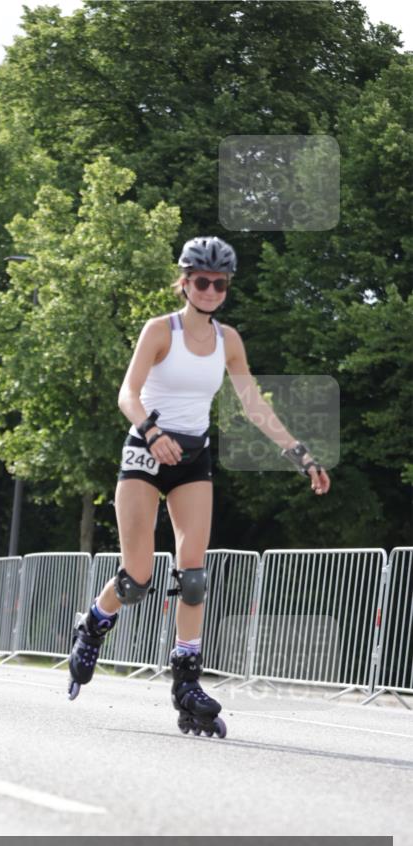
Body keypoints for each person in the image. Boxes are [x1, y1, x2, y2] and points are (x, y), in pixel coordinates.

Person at [67, 236, 331, 736]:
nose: (211, 290)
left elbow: (254, 404)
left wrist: (300, 454)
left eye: (220, 284)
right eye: (202, 281)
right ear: (184, 282)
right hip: (146, 450)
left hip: (192, 457)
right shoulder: (159, 330)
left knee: (193, 577)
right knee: (137, 578)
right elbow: (128, 391)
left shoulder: (229, 340)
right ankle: (93, 625)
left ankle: (186, 682)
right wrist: (151, 431)